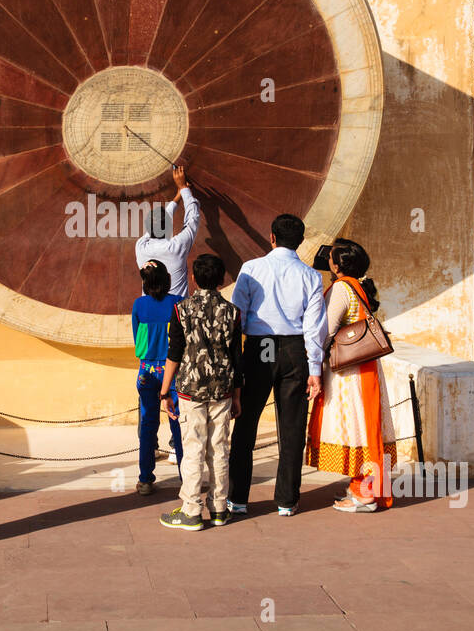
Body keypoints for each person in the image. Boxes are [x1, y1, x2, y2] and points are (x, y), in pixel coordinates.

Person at [228, 214, 327, 516]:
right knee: (292, 426)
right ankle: (287, 499)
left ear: (272, 237)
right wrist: (315, 369)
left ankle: (238, 498)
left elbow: (237, 316)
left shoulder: (252, 269)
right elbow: (315, 328)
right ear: (300, 241)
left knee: (246, 424)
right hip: (293, 348)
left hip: (261, 346)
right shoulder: (311, 276)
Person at [307, 239, 395, 512]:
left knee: (355, 428)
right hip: (363, 366)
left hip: (349, 373)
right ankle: (362, 487)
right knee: (364, 428)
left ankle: (365, 494)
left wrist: (311, 360)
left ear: (337, 264)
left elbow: (326, 329)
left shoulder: (342, 289)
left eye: (331, 258)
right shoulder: (359, 286)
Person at [158, 253, 242, 531]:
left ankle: (191, 510)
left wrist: (164, 390)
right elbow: (236, 356)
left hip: (190, 390)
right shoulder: (232, 312)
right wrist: (237, 395)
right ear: (221, 280)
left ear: (194, 278)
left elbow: (174, 352)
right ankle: (219, 508)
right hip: (223, 390)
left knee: (193, 448)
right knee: (219, 450)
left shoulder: (182, 309)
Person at [131, 260, 183, 494]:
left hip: (147, 372)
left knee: (149, 424)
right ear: (167, 280)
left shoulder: (139, 305)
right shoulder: (177, 303)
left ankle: (145, 479)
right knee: (179, 425)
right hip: (173, 371)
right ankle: (186, 476)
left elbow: (136, 338)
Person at [135, 164, 200, 298]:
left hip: (149, 312)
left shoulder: (140, 246)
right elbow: (192, 220)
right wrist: (183, 189)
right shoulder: (176, 246)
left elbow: (159, 222)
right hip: (176, 313)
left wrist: (179, 195)